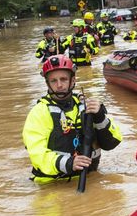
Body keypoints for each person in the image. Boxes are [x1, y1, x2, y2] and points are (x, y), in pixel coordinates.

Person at [22, 55, 121, 184]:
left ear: (73, 80)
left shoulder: (88, 106)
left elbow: (113, 142)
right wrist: (69, 163)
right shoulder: (39, 112)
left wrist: (100, 117)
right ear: (47, 83)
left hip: (90, 179)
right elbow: (37, 155)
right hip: (52, 184)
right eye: (53, 81)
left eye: (63, 79)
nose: (59, 85)